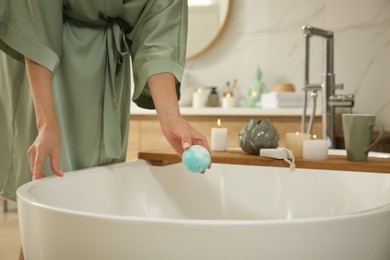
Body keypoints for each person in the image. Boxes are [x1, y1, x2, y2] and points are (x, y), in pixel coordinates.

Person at [0, 0, 210, 259]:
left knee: (94, 199)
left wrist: (171, 118)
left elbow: (160, 24)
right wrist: (46, 123)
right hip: (49, 62)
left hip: (107, 66)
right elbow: (33, 22)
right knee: (51, 204)